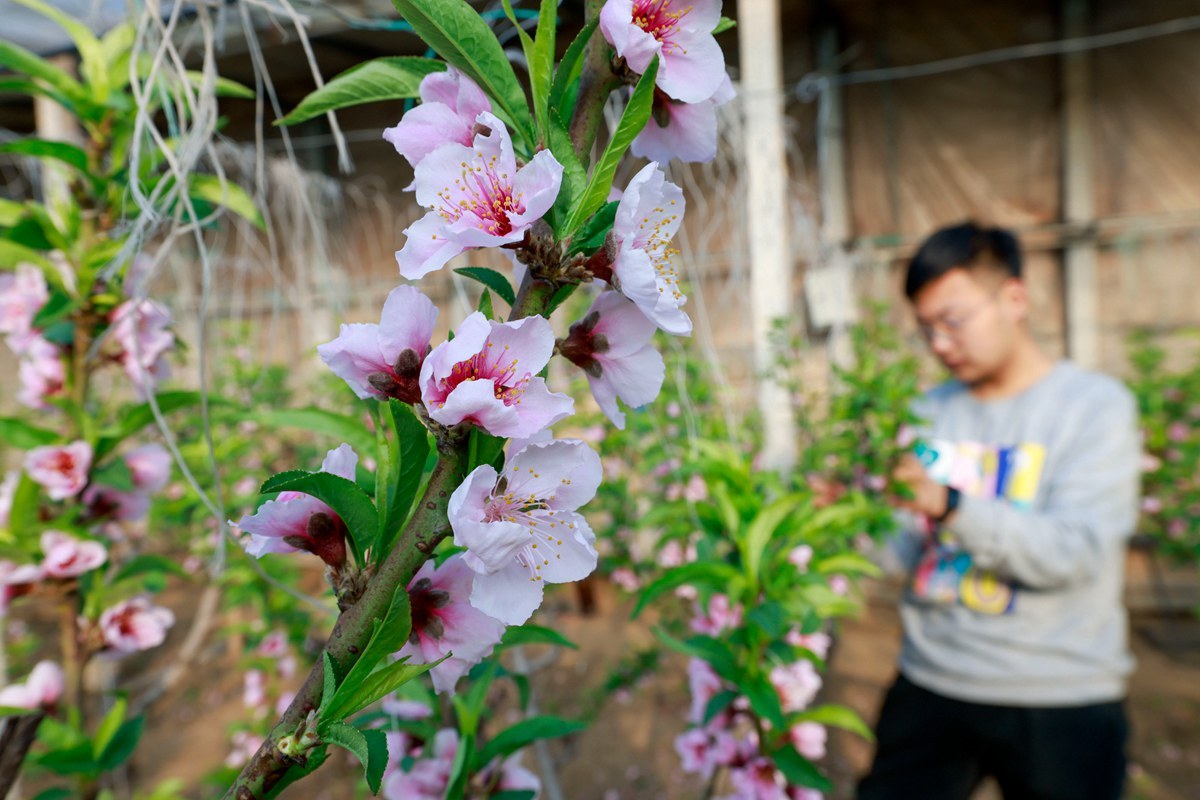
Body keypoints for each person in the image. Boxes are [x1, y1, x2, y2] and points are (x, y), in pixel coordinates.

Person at [857, 221, 1140, 800]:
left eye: (953, 321)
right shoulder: (926, 410)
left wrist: (953, 505)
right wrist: (853, 517)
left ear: (1014, 298)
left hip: (1058, 694)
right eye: (926, 329)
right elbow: (899, 553)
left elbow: (1075, 553)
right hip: (933, 677)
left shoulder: (1094, 408)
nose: (939, 344)